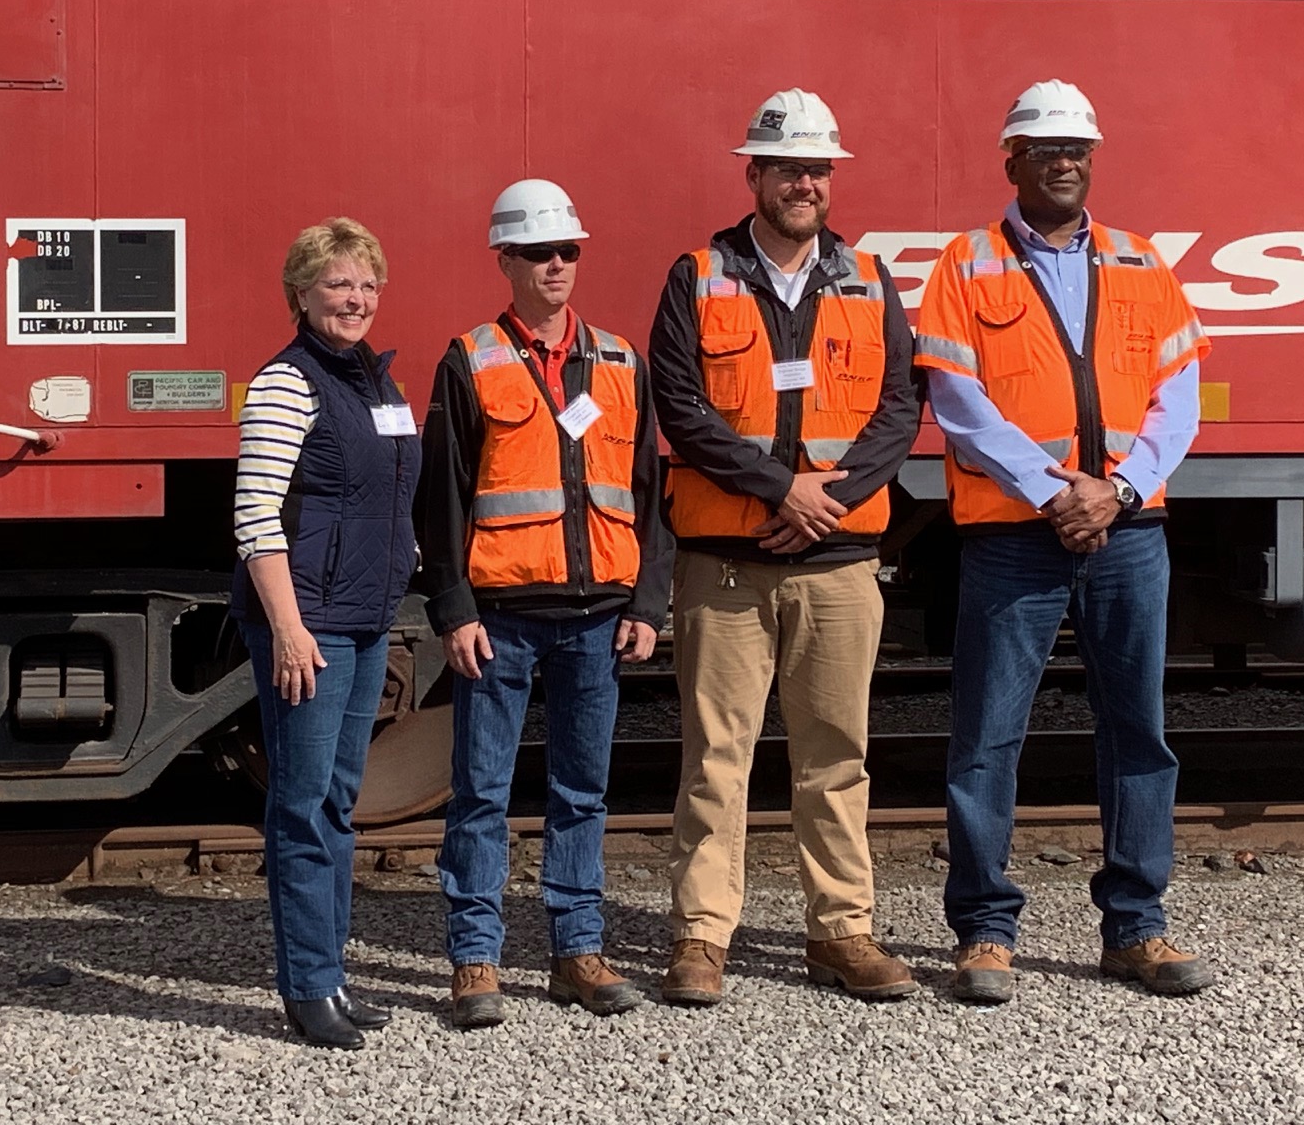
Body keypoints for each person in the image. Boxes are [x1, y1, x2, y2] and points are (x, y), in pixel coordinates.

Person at [914, 79, 1215, 1005]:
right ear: (1010, 159)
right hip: (1016, 535)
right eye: (1045, 147)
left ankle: (1135, 927)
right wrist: (1057, 492)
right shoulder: (964, 265)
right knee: (986, 739)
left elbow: (1181, 394)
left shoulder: (1138, 261)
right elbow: (959, 404)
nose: (1065, 159)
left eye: (1078, 146)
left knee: (1138, 734)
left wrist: (1116, 491)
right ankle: (984, 931)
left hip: (1128, 532)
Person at [649, 89, 922, 1006]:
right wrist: (781, 489)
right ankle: (700, 937)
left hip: (838, 565)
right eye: (788, 168)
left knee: (836, 755)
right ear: (754, 174)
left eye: (819, 169)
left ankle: (842, 930)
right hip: (725, 565)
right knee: (715, 759)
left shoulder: (870, 279)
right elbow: (680, 409)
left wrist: (826, 502)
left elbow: (898, 413)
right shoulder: (697, 275)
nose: (805, 183)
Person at [419, 179, 673, 1028]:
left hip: (600, 617)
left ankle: (576, 952)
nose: (555, 265)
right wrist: (453, 609)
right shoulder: (471, 359)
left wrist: (647, 600)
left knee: (583, 791)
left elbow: (649, 491)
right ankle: (476, 959)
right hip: (501, 619)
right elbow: (443, 497)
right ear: (505, 259)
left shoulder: (620, 360)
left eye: (567, 250)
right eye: (537, 252)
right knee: (481, 792)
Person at [229, 217, 421, 1049]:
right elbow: (255, 515)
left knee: (339, 803)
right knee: (304, 809)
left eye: (367, 284)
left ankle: (332, 978)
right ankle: (307, 987)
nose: (355, 297)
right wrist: (289, 630)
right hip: (312, 627)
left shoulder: (378, 385)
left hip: (366, 620)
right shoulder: (286, 384)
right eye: (337, 283)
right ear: (300, 294)